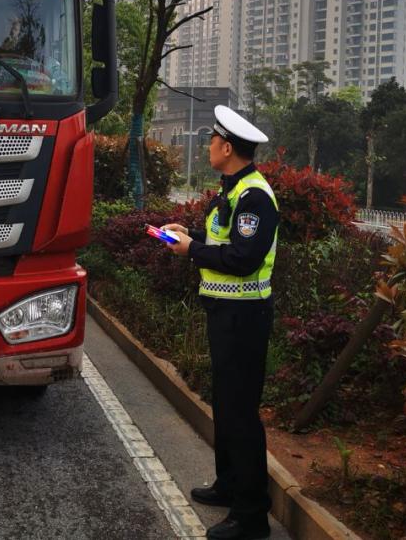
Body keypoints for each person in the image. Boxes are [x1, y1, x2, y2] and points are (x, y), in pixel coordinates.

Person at [162, 105, 279, 540]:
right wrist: (187, 234)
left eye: (211, 140)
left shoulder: (254, 197)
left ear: (226, 147)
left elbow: (244, 260)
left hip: (244, 316)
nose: (207, 146)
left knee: (241, 412)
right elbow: (221, 240)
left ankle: (251, 517)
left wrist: (190, 250)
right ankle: (229, 485)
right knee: (226, 404)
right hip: (225, 313)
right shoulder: (231, 192)